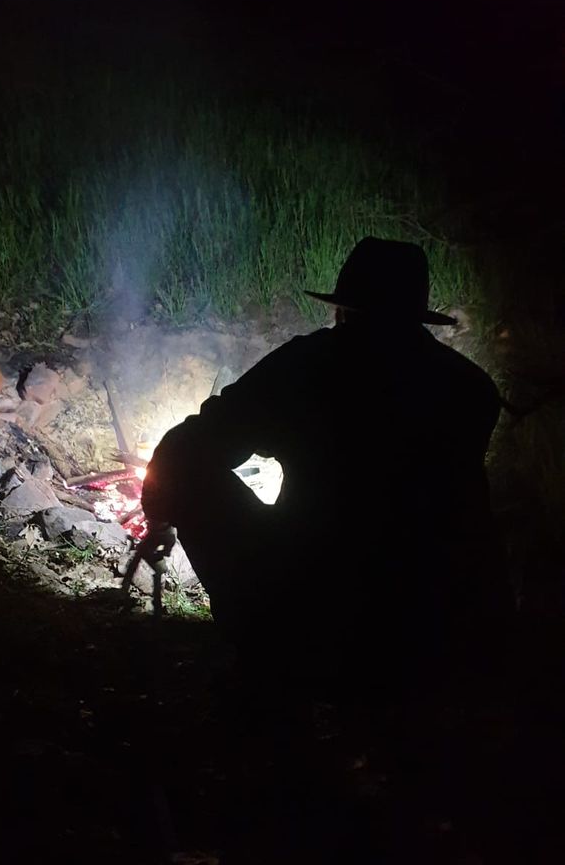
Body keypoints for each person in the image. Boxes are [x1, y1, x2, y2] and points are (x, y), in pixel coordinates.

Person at [142, 237, 512, 696]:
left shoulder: (309, 366)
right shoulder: (470, 386)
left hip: (315, 600)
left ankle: (268, 647)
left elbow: (190, 450)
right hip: (438, 620)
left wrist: (159, 514)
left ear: (343, 310)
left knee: (189, 480)